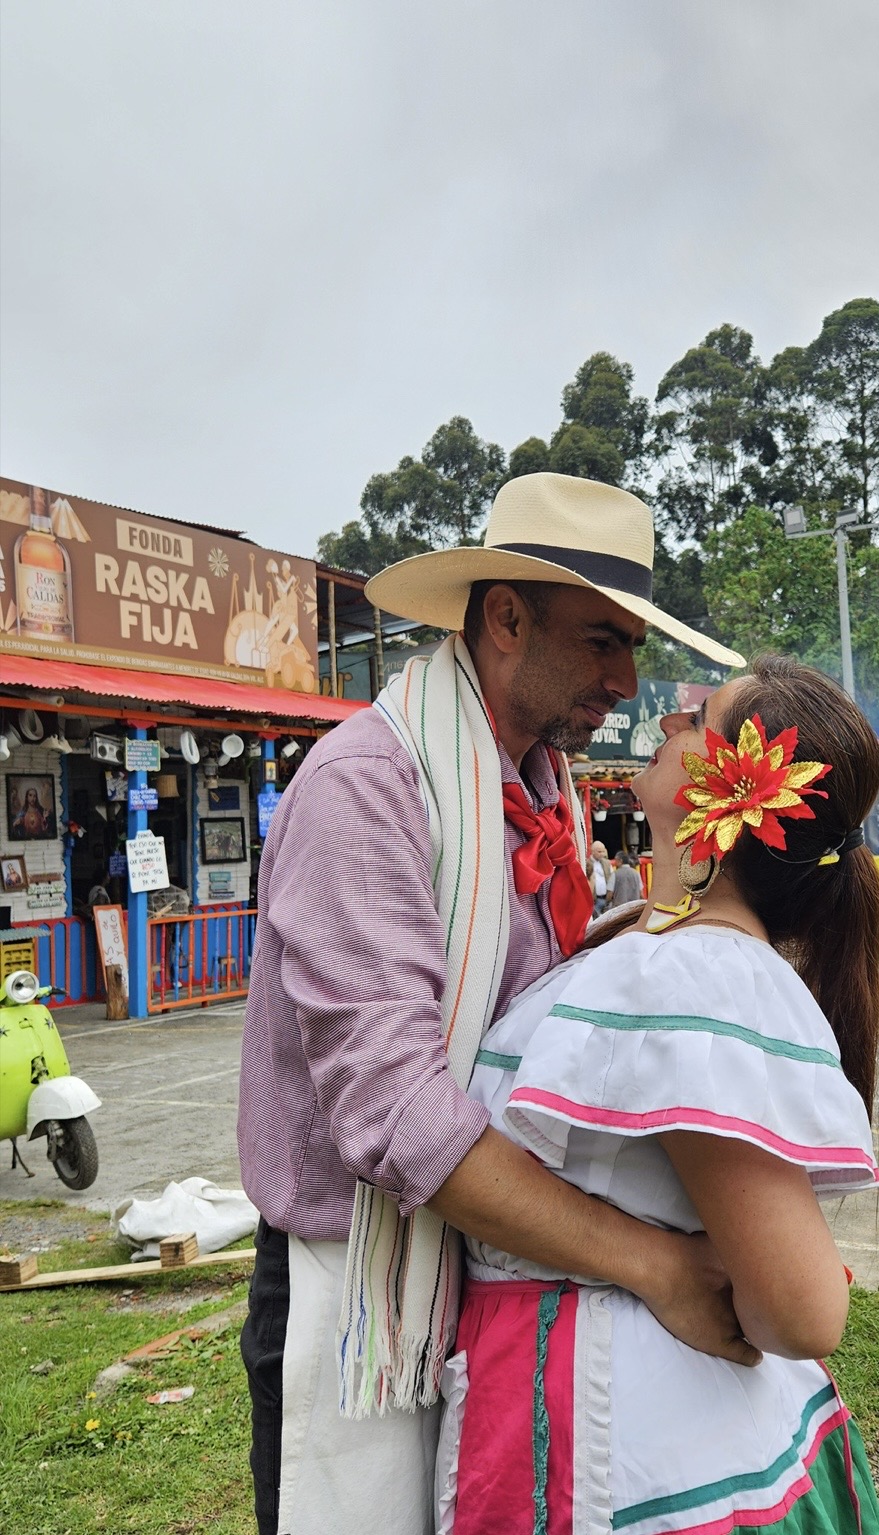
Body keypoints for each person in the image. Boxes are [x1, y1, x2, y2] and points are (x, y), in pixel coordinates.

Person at [236, 472, 746, 1535]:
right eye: (602, 641)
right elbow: (400, 1116)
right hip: (358, 1277)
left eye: (631, 645)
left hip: (485, 1258)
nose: (626, 679)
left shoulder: (540, 789)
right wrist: (653, 1261)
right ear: (506, 618)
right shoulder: (369, 787)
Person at [435, 656, 879, 1534]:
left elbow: (804, 1309)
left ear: (737, 797)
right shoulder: (652, 951)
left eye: (700, 720)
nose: (671, 722)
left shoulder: (694, 976)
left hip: (626, 1443)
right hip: (599, 1411)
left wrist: (696, 1271)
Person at [586, 840, 614, 916]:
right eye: (599, 852)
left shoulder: (607, 863)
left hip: (606, 899)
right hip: (595, 900)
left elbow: (612, 880)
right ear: (592, 851)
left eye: (603, 851)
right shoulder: (587, 863)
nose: (602, 854)